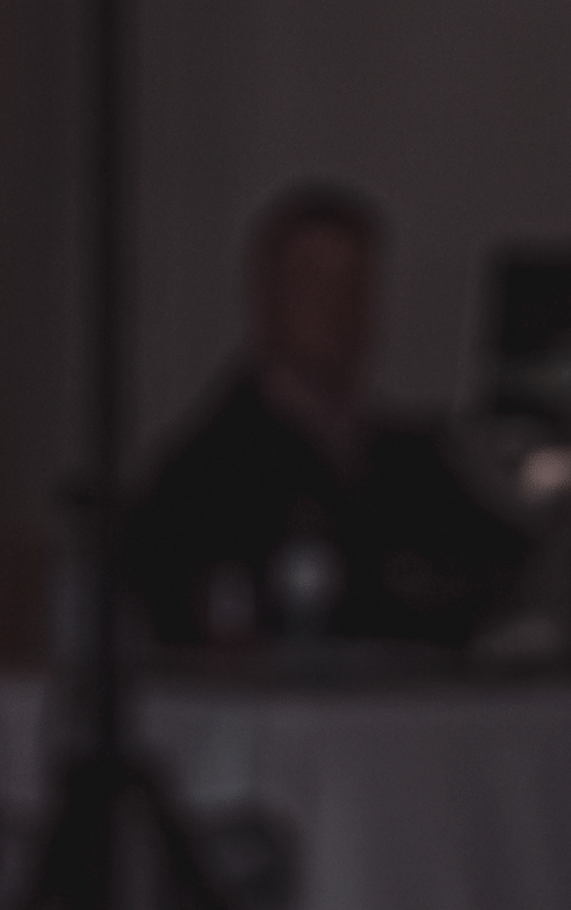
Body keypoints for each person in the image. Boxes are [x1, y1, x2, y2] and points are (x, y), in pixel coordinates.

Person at [120, 184, 526, 653]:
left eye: (354, 286)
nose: (336, 309)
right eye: (313, 284)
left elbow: (504, 569)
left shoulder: (411, 459)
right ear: (267, 295)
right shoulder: (205, 475)